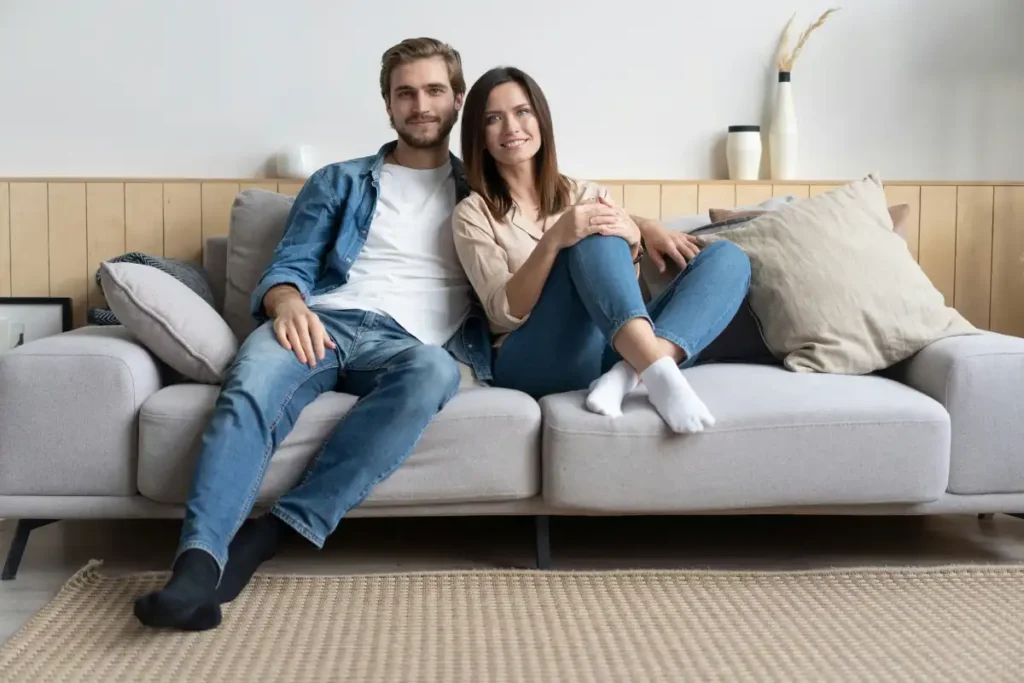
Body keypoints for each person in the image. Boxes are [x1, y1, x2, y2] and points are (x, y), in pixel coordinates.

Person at [134, 37, 492, 631]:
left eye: (433, 91)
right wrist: (287, 303)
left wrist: (634, 223)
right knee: (249, 385)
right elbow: (289, 268)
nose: (420, 104)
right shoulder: (340, 181)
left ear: (457, 100)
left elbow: (560, 204)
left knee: (432, 371)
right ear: (388, 105)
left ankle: (270, 535)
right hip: (320, 323)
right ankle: (195, 567)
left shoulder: (484, 191)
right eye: (405, 93)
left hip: (409, 345)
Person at [452, 66, 751, 433]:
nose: (512, 127)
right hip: (532, 358)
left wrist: (634, 240)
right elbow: (501, 314)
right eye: (493, 119)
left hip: (607, 349)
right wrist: (554, 240)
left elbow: (615, 291)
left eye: (522, 111)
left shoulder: (585, 193)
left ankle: (629, 373)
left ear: (541, 119)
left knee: (728, 259)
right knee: (591, 234)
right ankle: (657, 373)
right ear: (479, 136)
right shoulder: (472, 213)